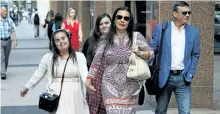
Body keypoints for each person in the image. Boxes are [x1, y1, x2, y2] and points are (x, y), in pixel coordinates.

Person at [85, 6, 153, 113]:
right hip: (109, 86)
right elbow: (96, 61)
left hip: (131, 87)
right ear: (114, 20)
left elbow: (151, 54)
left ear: (129, 22)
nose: (122, 20)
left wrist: (139, 52)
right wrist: (89, 80)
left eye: (126, 18)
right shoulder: (105, 39)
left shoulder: (136, 37)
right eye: (119, 17)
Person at [20, 29, 90, 114]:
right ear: (54, 44)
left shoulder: (79, 57)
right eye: (57, 40)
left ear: (68, 39)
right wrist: (27, 87)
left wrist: (88, 83)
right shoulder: (48, 58)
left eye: (63, 38)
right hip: (57, 96)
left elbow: (84, 73)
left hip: (76, 95)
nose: (61, 41)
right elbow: (38, 73)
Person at [149, 1, 200, 114]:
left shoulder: (193, 32)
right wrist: (145, 61)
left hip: (183, 78)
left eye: (189, 13)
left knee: (185, 112)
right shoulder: (161, 28)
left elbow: (195, 55)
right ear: (175, 14)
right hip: (164, 77)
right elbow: (152, 49)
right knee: (160, 110)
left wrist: (190, 73)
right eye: (184, 13)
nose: (187, 15)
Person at [82, 13, 111, 114]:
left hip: (112, 86)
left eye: (106, 23)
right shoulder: (90, 41)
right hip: (94, 86)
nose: (104, 26)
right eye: (101, 24)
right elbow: (84, 64)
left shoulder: (117, 41)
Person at [0, 5, 17, 80]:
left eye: (6, 11)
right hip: (0, 41)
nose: (6, 12)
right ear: (0, 12)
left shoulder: (9, 20)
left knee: (6, 57)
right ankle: (3, 72)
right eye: (4, 11)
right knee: (2, 57)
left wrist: (15, 41)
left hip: (8, 41)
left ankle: (4, 70)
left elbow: (13, 31)